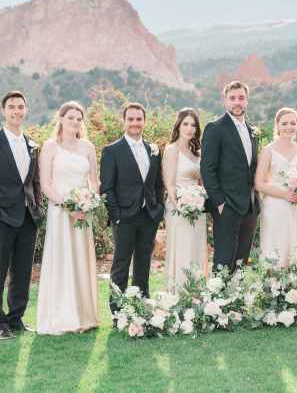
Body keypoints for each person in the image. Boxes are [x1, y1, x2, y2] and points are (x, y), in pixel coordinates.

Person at [0, 91, 44, 340]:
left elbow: (34, 182)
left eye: (21, 107)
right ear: (3, 111)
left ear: (26, 111)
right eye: (12, 107)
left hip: (29, 217)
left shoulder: (33, 144)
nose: (17, 111)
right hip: (2, 218)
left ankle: (15, 319)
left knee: (23, 271)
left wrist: (38, 208)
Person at [36, 101, 101, 335]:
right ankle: (61, 316)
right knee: (61, 257)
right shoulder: (50, 147)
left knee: (81, 258)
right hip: (60, 209)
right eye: (70, 117)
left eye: (79, 119)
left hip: (83, 212)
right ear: (61, 118)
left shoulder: (88, 147)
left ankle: (84, 315)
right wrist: (67, 206)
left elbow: (94, 182)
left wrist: (88, 200)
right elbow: (45, 184)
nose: (75, 122)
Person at [101, 103, 165, 318]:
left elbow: (158, 183)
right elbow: (107, 187)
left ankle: (141, 309)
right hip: (124, 217)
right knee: (120, 266)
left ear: (144, 122)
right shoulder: (111, 150)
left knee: (143, 264)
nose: (135, 123)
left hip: (149, 215)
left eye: (139, 119)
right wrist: (116, 216)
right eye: (131, 119)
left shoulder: (154, 150)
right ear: (124, 122)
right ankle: (117, 313)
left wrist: (159, 208)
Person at [200, 81, 260, 272]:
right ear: (225, 100)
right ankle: (219, 301)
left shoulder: (253, 130)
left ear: (247, 101)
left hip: (250, 206)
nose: (237, 102)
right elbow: (207, 168)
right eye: (232, 98)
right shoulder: (215, 128)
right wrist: (219, 203)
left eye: (241, 98)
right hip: (227, 206)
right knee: (224, 259)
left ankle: (236, 300)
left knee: (242, 261)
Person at [254, 107, 297, 267]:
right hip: (275, 207)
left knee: (296, 242)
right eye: (284, 123)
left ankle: (296, 285)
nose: (289, 127)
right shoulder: (268, 151)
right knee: (276, 244)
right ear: (277, 125)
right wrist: (285, 195)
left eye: (292, 123)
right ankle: (273, 284)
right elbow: (259, 184)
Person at [163, 108, 206, 289]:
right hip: (178, 209)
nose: (189, 128)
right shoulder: (172, 150)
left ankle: (195, 297)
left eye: (193, 125)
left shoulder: (197, 153)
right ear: (178, 126)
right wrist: (182, 207)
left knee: (195, 252)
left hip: (198, 210)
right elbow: (170, 184)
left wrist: (198, 203)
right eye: (186, 124)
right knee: (181, 251)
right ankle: (177, 296)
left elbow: (202, 184)